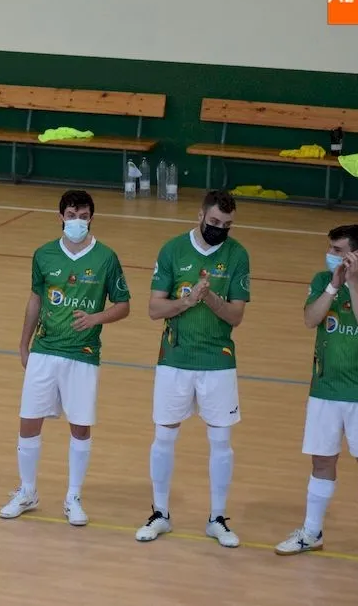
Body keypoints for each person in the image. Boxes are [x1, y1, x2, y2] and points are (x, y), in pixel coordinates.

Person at [0, 190, 130, 525]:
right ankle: (27, 491)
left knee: (80, 428)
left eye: (83, 215)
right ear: (60, 217)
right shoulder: (43, 255)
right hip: (45, 350)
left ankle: (73, 497)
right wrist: (23, 343)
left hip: (83, 355)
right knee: (29, 422)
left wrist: (96, 318)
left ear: (91, 218)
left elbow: (123, 305)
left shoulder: (106, 257)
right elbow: (34, 300)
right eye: (71, 215)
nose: (77, 221)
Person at [275, 225, 358, 568]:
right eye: (330, 247)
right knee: (322, 462)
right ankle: (312, 532)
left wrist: (353, 283)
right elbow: (310, 318)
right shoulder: (321, 280)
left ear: (356, 254)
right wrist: (333, 285)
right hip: (324, 389)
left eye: (338, 248)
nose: (331, 254)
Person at [136, 190, 250, 548]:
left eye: (227, 225)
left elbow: (236, 315)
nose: (219, 229)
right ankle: (161, 514)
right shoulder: (172, 250)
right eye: (214, 222)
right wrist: (188, 300)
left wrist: (211, 298)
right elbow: (155, 310)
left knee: (220, 441)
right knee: (164, 436)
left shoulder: (237, 255)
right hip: (175, 359)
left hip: (218, 362)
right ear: (201, 214)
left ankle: (217, 518)